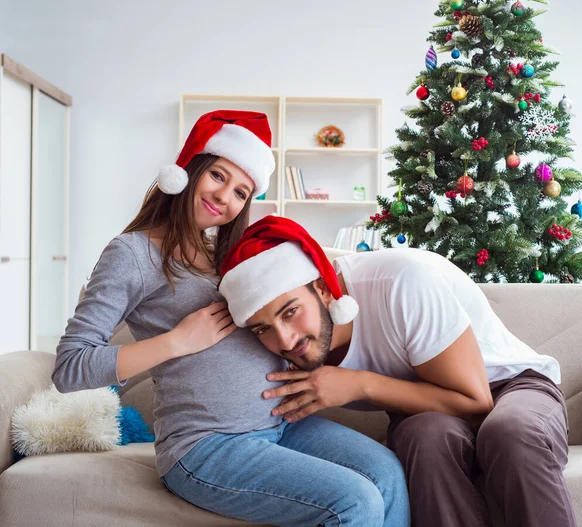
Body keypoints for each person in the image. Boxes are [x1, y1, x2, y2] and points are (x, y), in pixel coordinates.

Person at [52, 110, 409, 527]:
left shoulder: (228, 255)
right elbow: (69, 368)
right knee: (355, 501)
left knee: (386, 473)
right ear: (189, 171)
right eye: (219, 176)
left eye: (241, 192)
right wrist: (178, 341)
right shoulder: (131, 254)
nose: (225, 198)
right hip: (207, 446)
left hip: (282, 425)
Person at [218, 214, 576, 527]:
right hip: (424, 407)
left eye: (290, 311)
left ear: (324, 289)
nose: (284, 339)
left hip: (510, 386)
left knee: (509, 433)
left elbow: (477, 402)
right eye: (262, 328)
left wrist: (359, 384)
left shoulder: (402, 282)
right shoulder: (277, 346)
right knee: (424, 438)